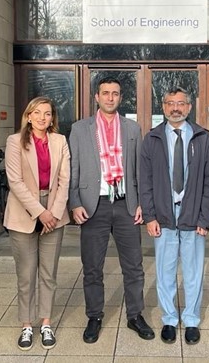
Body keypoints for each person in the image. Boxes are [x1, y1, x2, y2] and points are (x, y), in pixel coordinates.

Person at [68, 76, 154, 343]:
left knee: (134, 266)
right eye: (105, 93)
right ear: (96, 96)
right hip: (95, 205)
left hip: (126, 204)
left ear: (120, 97)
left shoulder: (132, 128)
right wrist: (75, 202)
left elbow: (139, 169)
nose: (110, 98)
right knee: (92, 266)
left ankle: (135, 315)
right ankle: (94, 315)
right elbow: (73, 170)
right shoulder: (80, 129)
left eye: (115, 94)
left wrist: (141, 202)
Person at [140, 86, 209, 346]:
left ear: (189, 107)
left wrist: (205, 219)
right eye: (170, 103)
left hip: (193, 213)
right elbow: (145, 181)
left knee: (193, 271)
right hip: (163, 215)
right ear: (163, 107)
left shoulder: (203, 138)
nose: (176, 108)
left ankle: (192, 319)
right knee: (165, 270)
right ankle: (170, 319)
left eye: (181, 103)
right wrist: (150, 216)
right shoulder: (152, 139)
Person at [4, 96, 70, 351]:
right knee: (26, 274)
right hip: (24, 214)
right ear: (28, 115)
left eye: (48, 113)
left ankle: (45, 322)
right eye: (38, 113)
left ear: (52, 117)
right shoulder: (14, 141)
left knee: (48, 273)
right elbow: (15, 182)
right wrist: (41, 212)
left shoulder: (60, 141)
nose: (43, 118)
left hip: (54, 212)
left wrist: (53, 212)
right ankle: (26, 325)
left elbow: (65, 180)